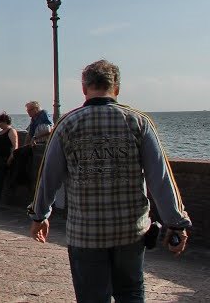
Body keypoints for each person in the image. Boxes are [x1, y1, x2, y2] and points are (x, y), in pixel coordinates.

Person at [28, 60, 191, 302]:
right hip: (131, 232)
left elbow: (49, 178)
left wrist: (40, 215)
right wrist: (176, 223)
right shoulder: (139, 122)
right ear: (117, 88)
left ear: (84, 89)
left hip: (85, 233)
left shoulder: (67, 125)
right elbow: (160, 178)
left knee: (92, 297)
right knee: (131, 294)